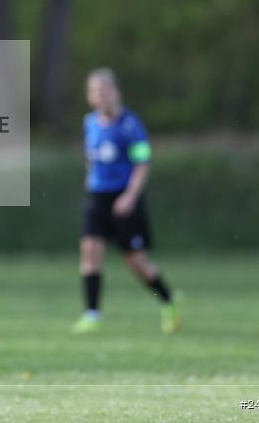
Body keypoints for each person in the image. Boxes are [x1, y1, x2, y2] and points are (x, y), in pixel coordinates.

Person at [71, 68, 181, 334]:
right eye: (96, 91)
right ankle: (92, 313)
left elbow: (142, 162)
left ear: (115, 92)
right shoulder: (89, 123)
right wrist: (90, 178)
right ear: (90, 97)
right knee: (90, 254)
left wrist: (130, 196)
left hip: (123, 197)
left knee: (136, 262)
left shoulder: (131, 124)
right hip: (97, 198)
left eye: (105, 90)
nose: (101, 96)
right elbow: (91, 157)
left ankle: (168, 301)